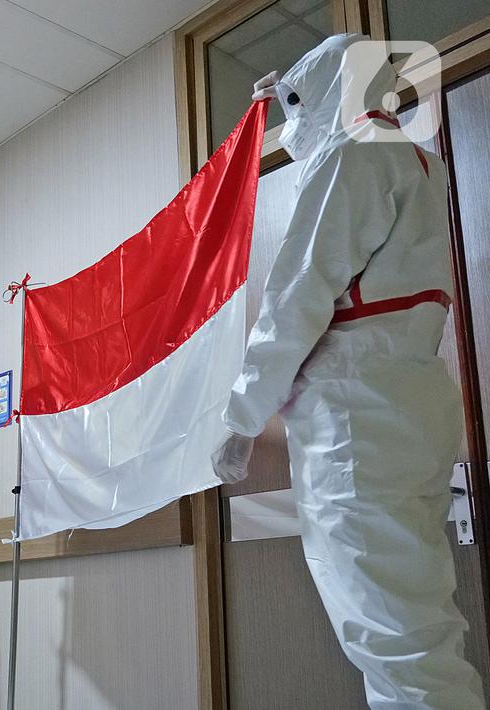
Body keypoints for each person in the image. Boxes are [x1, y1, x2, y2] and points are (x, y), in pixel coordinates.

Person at [212, 33, 485, 709]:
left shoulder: (351, 154)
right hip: (408, 399)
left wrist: (241, 416)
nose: (292, 123)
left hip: (358, 409)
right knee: (416, 617)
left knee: (391, 635)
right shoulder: (416, 160)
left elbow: (295, 297)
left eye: (297, 103)